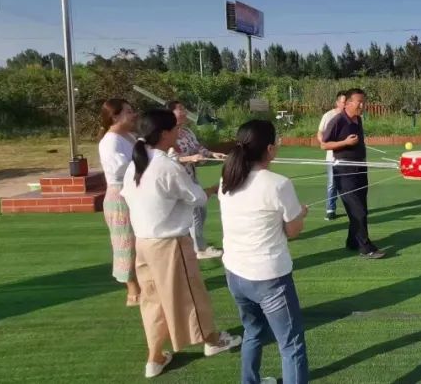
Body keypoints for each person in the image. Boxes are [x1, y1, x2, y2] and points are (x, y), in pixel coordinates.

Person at [121, 109, 242, 378]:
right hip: (169, 243)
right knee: (192, 294)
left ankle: (154, 357)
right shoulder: (166, 165)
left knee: (153, 300)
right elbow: (196, 197)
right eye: (175, 129)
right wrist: (214, 189)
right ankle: (212, 340)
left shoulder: (136, 164)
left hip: (144, 243)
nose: (179, 133)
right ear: (164, 134)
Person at [219, 120, 309, 384]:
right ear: (270, 149)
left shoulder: (228, 178)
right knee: (291, 344)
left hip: (235, 273)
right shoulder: (278, 184)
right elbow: (293, 231)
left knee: (253, 331)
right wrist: (299, 214)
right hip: (269, 278)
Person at [321, 88, 385, 259]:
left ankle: (352, 241)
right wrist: (345, 143)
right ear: (348, 103)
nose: (362, 105)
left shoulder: (358, 119)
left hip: (360, 168)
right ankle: (366, 248)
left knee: (360, 208)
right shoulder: (338, 120)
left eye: (364, 102)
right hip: (344, 171)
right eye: (359, 102)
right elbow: (324, 144)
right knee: (358, 210)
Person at [166, 100, 226, 260]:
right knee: (194, 214)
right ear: (170, 113)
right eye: (180, 109)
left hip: (191, 178)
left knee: (201, 210)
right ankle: (198, 249)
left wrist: (212, 154)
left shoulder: (186, 132)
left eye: (184, 108)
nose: (184, 112)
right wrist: (190, 158)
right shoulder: (167, 134)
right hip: (178, 181)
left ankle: (196, 246)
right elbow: (168, 158)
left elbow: (198, 147)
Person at [97, 99, 141, 307]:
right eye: (128, 112)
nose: (133, 115)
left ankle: (142, 281)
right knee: (125, 241)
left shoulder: (129, 136)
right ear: (115, 117)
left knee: (139, 239)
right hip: (120, 195)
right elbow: (119, 169)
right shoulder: (110, 141)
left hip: (134, 192)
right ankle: (132, 288)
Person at [317, 91, 347, 221]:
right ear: (337, 102)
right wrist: (323, 142)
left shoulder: (351, 117)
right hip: (332, 157)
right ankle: (330, 210)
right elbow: (320, 133)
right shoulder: (328, 115)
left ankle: (352, 209)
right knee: (332, 183)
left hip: (348, 158)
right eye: (343, 102)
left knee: (349, 183)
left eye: (347, 102)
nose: (345, 105)